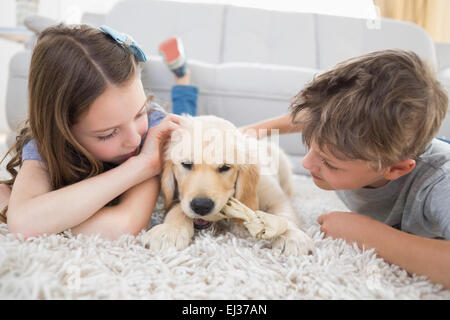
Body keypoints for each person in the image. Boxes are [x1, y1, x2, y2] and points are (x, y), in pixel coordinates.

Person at [241, 50, 450, 289]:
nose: (307, 164)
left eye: (329, 163)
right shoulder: (338, 134)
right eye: (309, 145)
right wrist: (256, 130)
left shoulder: (440, 183)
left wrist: (370, 235)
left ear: (395, 169)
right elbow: (311, 118)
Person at [0, 24, 199, 240]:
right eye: (108, 133)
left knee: (185, 117)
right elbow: (26, 224)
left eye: (139, 113)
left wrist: (12, 210)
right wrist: (140, 166)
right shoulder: (45, 145)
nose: (134, 140)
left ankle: (182, 75)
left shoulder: (153, 132)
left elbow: (125, 224)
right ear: (63, 132)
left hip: (169, 123)